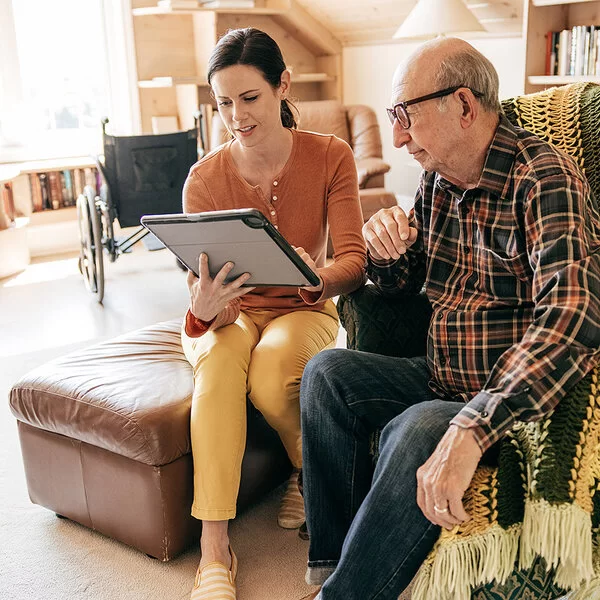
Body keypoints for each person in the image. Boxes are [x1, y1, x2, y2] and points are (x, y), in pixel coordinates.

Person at [298, 36, 600, 600]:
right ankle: (335, 562)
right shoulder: (438, 181)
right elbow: (403, 281)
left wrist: (475, 423)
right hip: (439, 374)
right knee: (326, 373)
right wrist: (384, 252)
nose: (397, 136)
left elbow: (573, 314)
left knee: (415, 429)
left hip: (497, 396)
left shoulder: (542, 179)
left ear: (463, 105)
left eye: (404, 115)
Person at [180, 27, 366, 600]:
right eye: (224, 103)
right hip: (227, 315)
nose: (237, 115)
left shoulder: (331, 155)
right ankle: (215, 549)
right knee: (218, 365)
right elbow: (197, 279)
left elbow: (355, 260)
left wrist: (318, 277)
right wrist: (203, 307)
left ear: (282, 85)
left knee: (273, 370)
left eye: (250, 98)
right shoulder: (204, 179)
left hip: (301, 308)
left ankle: (305, 470)